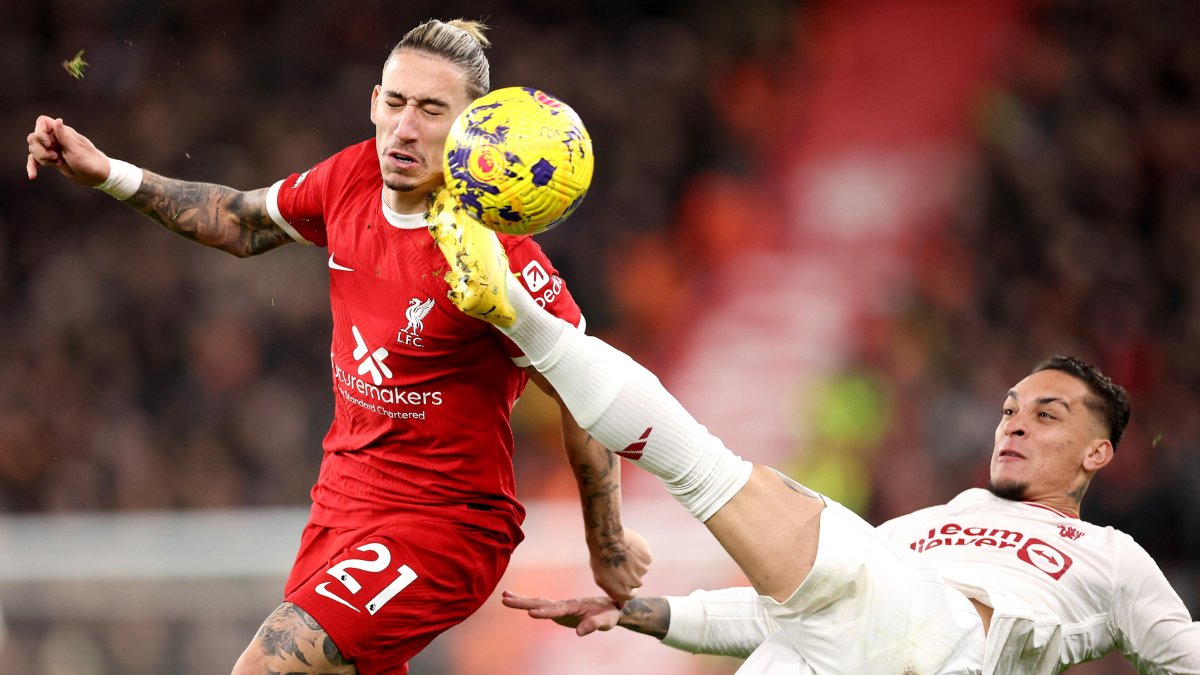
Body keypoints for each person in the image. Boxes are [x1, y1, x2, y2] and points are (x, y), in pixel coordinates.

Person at [25, 18, 651, 675]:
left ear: (472, 127)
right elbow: (241, 222)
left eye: (432, 109)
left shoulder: (497, 255)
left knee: (267, 666)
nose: (406, 127)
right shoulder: (351, 178)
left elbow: (589, 390)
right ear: (374, 102)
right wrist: (107, 173)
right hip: (342, 504)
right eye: (396, 101)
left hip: (444, 527)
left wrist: (604, 539)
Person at [425, 201, 1200, 673]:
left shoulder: (1112, 557)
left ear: (1099, 452)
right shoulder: (924, 525)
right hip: (829, 649)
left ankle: (516, 315)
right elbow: (793, 611)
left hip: (941, 646)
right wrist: (638, 611)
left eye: (1048, 412)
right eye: (1010, 407)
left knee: (707, 467)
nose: (1016, 421)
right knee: (813, 589)